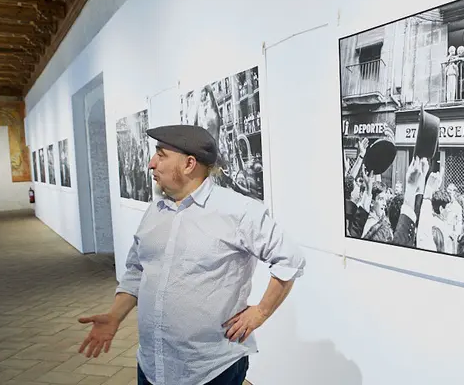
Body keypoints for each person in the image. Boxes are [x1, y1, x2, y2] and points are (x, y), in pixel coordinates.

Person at [77, 124, 306, 385]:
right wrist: (114, 316)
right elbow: (137, 269)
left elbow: (289, 259)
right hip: (153, 365)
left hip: (211, 370)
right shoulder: (155, 211)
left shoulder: (238, 211)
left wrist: (261, 313)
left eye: (161, 155)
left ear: (189, 164)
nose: (151, 163)